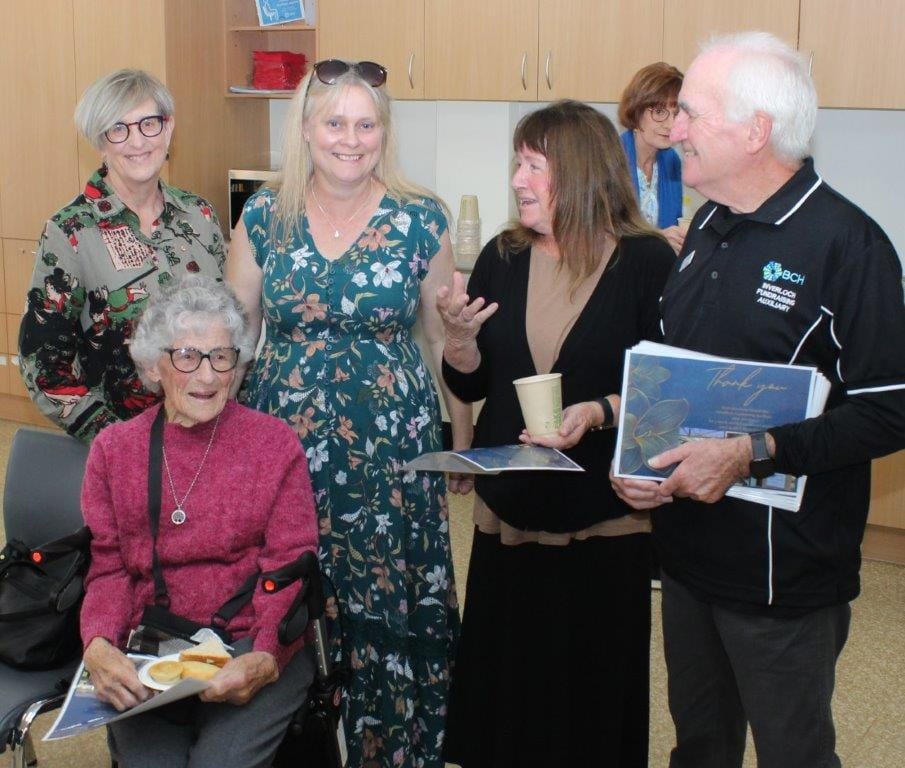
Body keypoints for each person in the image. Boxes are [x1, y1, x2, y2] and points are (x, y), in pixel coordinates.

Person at [612, 32, 905, 768]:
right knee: (699, 747)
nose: (672, 131)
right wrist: (640, 451)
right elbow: (685, 369)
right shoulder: (706, 221)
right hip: (686, 556)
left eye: (689, 114)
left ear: (754, 131)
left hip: (782, 576)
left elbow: (888, 408)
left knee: (791, 754)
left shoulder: (849, 247)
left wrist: (751, 452)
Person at [226, 59, 471, 768]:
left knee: (383, 590)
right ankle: (294, 740)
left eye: (366, 124)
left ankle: (391, 746)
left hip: (390, 446)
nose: (350, 138)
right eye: (334, 121)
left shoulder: (420, 217)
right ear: (305, 128)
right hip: (285, 442)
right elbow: (236, 335)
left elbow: (440, 338)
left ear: (384, 134)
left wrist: (459, 438)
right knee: (294, 583)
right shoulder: (264, 215)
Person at [438, 100, 675, 767]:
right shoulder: (503, 256)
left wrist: (597, 410)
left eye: (534, 166)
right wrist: (457, 344)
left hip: (602, 516)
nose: (517, 180)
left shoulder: (645, 262)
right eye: (517, 163)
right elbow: (473, 382)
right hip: (510, 511)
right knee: (509, 693)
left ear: (580, 173)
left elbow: (668, 394)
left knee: (590, 696)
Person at [80, 275, 318, 768]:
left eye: (221, 356)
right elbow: (109, 569)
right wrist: (99, 643)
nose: (207, 377)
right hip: (154, 646)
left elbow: (290, 567)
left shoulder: (273, 446)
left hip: (251, 637)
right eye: (187, 356)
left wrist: (267, 654)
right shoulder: (114, 451)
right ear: (152, 364)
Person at [19, 68, 225, 443]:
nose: (137, 141)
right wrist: (119, 441)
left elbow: (228, 330)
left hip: (208, 438)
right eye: (119, 128)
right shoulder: (70, 232)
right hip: (124, 448)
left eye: (149, 123)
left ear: (168, 128)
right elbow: (44, 369)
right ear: (101, 141)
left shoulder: (201, 215)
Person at [618, 62, 686, 253]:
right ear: (636, 110)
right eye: (659, 112)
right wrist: (658, 238)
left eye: (676, 113)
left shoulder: (672, 161)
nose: (670, 124)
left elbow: (674, 223)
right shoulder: (611, 159)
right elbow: (599, 233)